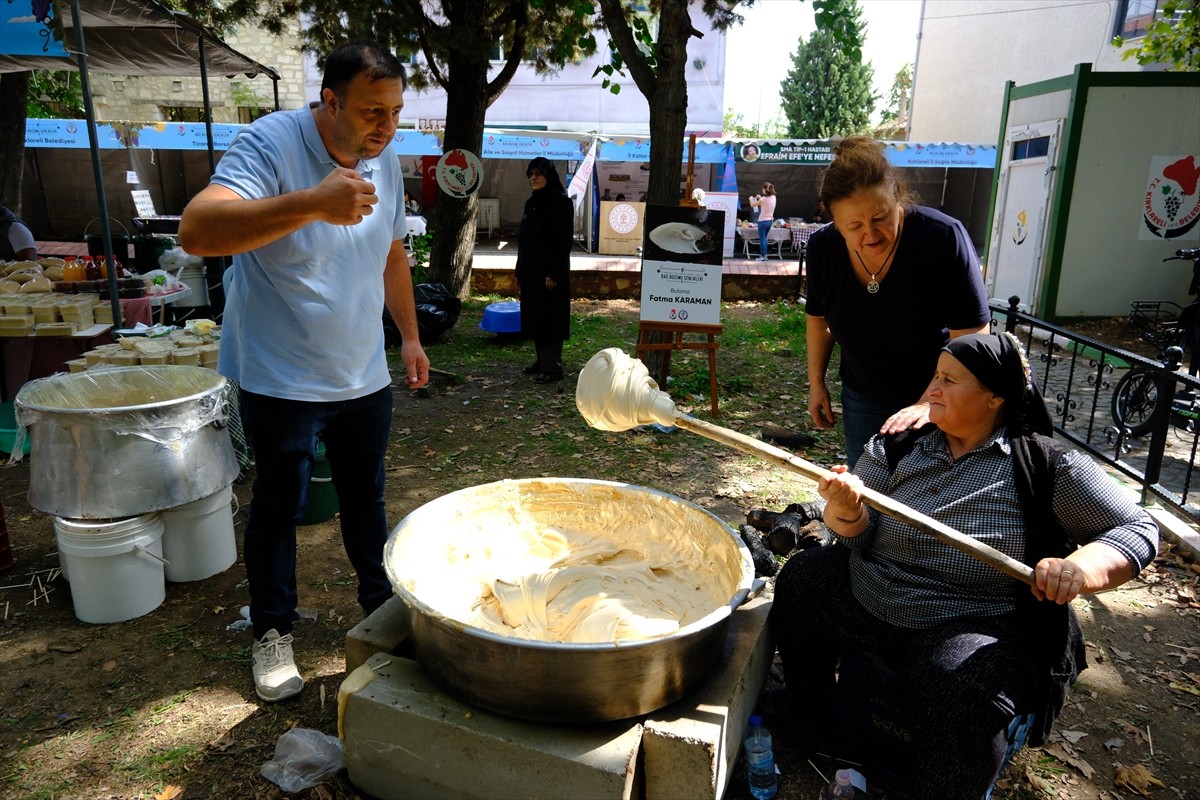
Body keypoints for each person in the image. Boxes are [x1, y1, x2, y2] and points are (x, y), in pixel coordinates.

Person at [770, 332, 1159, 800]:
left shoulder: (1046, 466)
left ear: (995, 395)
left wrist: (1080, 568)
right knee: (802, 579)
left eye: (950, 381)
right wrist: (847, 511)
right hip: (872, 590)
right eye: (935, 376)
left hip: (964, 618)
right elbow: (850, 528)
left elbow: (1137, 529)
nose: (932, 389)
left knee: (961, 684)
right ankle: (809, 721)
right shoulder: (901, 442)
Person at [177, 40, 430, 703]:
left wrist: (408, 336)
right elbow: (198, 231)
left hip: (362, 371)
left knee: (366, 503)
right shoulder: (269, 143)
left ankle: (383, 621)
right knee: (278, 509)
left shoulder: (387, 159)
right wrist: (313, 203)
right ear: (329, 101)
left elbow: (393, 253)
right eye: (373, 111)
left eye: (396, 111)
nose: (386, 125)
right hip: (281, 373)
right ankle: (271, 632)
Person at [805, 135, 990, 467]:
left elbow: (974, 334)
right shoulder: (823, 248)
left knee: (926, 496)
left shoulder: (942, 238)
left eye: (880, 217)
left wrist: (930, 402)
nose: (871, 234)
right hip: (863, 396)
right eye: (855, 226)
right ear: (834, 223)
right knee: (866, 493)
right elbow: (819, 319)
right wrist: (816, 384)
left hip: (943, 399)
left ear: (898, 199)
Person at [516, 157, 573, 384]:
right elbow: (524, 239)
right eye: (530, 174)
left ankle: (553, 368)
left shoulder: (561, 204)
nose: (533, 178)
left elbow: (562, 242)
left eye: (538, 174)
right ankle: (541, 361)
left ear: (548, 176)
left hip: (550, 272)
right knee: (535, 316)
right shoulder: (532, 203)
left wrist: (554, 273)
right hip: (531, 271)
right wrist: (520, 270)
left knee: (550, 318)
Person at [748, 183, 777, 262]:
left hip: (762, 221)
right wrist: (760, 198)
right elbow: (765, 202)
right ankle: (765, 256)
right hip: (770, 221)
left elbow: (752, 205)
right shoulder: (773, 197)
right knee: (765, 239)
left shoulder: (763, 199)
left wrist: (751, 199)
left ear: (765, 189)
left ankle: (763, 257)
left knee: (762, 239)